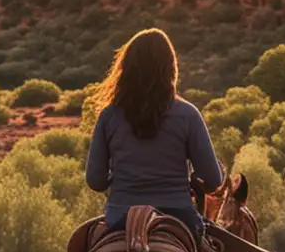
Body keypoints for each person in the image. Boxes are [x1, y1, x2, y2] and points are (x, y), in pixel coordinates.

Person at [84, 27, 222, 238]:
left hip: (120, 218)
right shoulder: (188, 114)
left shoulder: (109, 116)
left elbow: (95, 180)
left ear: (126, 68)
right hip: (178, 218)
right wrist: (193, 179)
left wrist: (121, 178)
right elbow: (213, 179)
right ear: (170, 69)